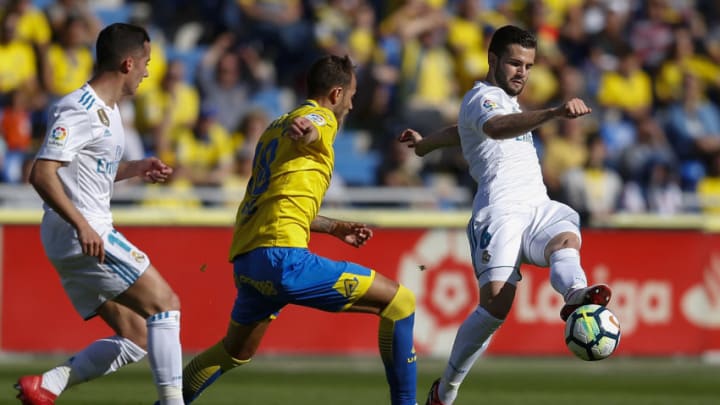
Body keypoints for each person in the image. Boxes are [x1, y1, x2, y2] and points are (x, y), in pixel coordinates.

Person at [181, 54, 418, 405]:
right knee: (401, 302)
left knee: (234, 352)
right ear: (336, 94)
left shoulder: (273, 128)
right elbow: (311, 126)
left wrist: (334, 226)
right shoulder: (320, 118)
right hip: (284, 260)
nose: (352, 104)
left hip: (250, 261)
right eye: (351, 94)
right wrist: (308, 129)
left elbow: (278, 202)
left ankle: (169, 401)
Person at [397, 25, 612, 405]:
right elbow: (493, 129)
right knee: (496, 306)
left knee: (565, 234)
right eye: (514, 63)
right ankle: (445, 392)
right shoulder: (483, 97)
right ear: (492, 60)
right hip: (499, 211)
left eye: (528, 65)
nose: (522, 73)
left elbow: (459, 131)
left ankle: (576, 293)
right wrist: (555, 112)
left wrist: (425, 145)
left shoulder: (505, 103)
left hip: (537, 205)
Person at [15, 23, 184, 405]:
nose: (147, 72)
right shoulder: (79, 108)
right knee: (166, 305)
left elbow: (88, 170)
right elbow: (41, 173)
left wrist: (135, 168)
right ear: (127, 63)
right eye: (145, 63)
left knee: (139, 334)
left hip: (73, 235)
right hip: (85, 233)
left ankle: (48, 385)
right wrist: (83, 225)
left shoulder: (109, 112)